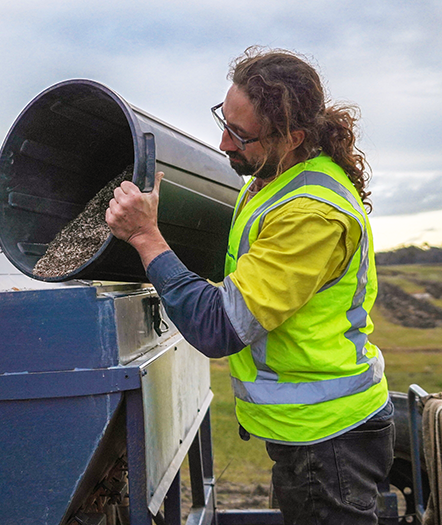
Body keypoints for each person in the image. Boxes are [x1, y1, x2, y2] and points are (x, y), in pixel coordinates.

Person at [105, 47, 394, 525]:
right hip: (305, 437)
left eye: (240, 135)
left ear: (292, 137)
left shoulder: (310, 215)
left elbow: (220, 327)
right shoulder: (268, 180)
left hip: (328, 441)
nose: (222, 143)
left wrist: (145, 236)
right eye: (224, 119)